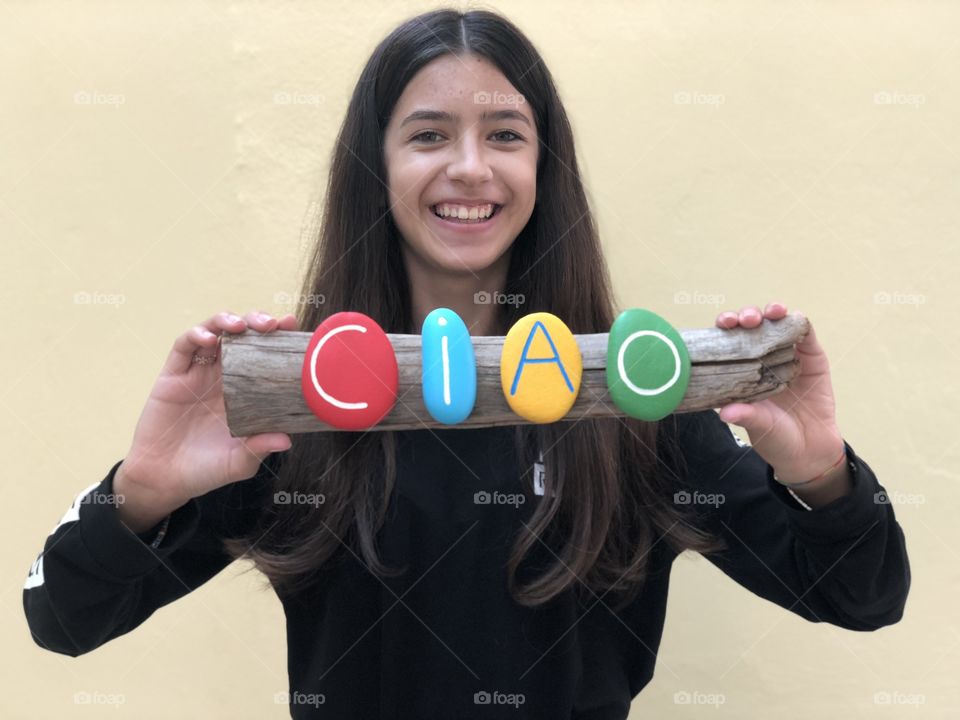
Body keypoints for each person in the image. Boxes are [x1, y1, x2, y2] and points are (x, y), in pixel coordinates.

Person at [23, 8, 910, 719]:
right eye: (428, 135)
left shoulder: (641, 408)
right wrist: (143, 490)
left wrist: (825, 475)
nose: (471, 168)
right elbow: (61, 617)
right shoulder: (293, 408)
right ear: (376, 167)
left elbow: (865, 597)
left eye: (506, 135)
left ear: (542, 166)